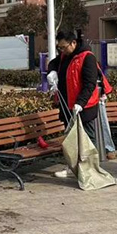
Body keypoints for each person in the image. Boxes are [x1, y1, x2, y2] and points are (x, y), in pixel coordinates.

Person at [47, 31, 100, 178]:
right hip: (67, 105)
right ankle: (72, 168)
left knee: (87, 138)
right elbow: (53, 63)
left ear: (73, 43)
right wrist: (52, 72)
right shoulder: (64, 56)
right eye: (59, 48)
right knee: (71, 139)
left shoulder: (87, 57)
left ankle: (90, 170)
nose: (62, 50)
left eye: (64, 47)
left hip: (85, 107)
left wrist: (80, 103)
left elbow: (90, 84)